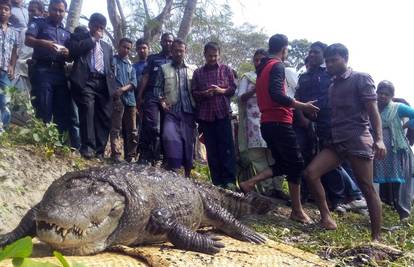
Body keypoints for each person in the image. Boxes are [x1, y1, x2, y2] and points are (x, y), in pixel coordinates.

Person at [304, 43, 386, 241]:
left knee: (366, 187)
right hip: (336, 141)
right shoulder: (332, 85)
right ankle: (326, 217)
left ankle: (376, 237)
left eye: (334, 60)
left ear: (345, 59)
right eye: (328, 61)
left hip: (357, 140)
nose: (330, 64)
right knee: (310, 173)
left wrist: (380, 139)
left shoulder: (361, 78)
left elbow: (373, 111)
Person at [239, 34, 319, 224]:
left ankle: (249, 183)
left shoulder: (262, 68)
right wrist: (303, 106)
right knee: (297, 164)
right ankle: (297, 210)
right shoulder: (276, 66)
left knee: (284, 164)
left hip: (267, 123)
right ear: (284, 49)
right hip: (279, 121)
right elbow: (277, 94)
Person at [294, 41, 365, 211]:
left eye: (316, 53)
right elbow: (298, 99)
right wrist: (304, 117)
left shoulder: (332, 75)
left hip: (331, 122)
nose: (312, 55)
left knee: (338, 160)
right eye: (310, 52)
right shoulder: (303, 77)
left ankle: (351, 196)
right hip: (309, 121)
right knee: (310, 158)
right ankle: (313, 196)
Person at [25, 0, 79, 147]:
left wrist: (68, 53)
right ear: (49, 9)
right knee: (44, 106)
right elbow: (28, 40)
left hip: (60, 73)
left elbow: (70, 56)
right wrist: (46, 44)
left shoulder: (66, 33)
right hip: (42, 69)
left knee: (62, 109)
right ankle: (41, 143)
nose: (58, 13)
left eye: (61, 11)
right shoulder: (40, 23)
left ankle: (58, 145)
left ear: (65, 13)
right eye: (55, 10)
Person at [236, 48, 286, 198]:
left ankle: (278, 188)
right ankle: (268, 188)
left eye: (261, 60)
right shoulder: (248, 77)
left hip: (272, 120)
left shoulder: (274, 73)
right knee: (258, 157)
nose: (258, 63)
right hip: (253, 124)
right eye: (256, 60)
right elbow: (240, 98)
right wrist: (253, 91)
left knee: (275, 155)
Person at [67, 13, 116, 159]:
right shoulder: (80, 38)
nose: (99, 30)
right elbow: (73, 52)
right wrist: (93, 39)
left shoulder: (107, 47)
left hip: (103, 83)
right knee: (88, 110)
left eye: (102, 28)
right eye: (97, 26)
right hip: (86, 81)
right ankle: (87, 147)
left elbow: (110, 67)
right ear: (90, 25)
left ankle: (100, 151)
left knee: (105, 116)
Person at [191, 41, 237, 189]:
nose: (212, 58)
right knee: (212, 150)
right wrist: (204, 93)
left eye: (215, 56)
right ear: (204, 55)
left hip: (223, 113)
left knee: (227, 148)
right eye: (210, 56)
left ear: (219, 55)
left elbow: (232, 89)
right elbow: (194, 93)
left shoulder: (226, 70)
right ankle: (217, 182)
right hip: (206, 116)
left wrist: (221, 91)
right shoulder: (198, 73)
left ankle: (229, 181)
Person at [155, 38, 197, 176]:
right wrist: (161, 101)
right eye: (176, 51)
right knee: (169, 136)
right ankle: (174, 169)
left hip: (189, 111)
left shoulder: (193, 69)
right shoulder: (164, 68)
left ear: (185, 51)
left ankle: (188, 173)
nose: (179, 53)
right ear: (171, 51)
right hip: (171, 111)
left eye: (181, 51)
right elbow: (157, 89)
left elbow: (197, 90)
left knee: (188, 142)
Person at [374, 80, 414, 221]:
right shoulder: (373, 108)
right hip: (381, 152)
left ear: (392, 95)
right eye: (380, 93)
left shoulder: (398, 107)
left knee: (402, 183)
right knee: (381, 181)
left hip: (398, 151)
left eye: (387, 94)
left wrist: (407, 125)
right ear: (376, 93)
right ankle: (383, 208)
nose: (383, 96)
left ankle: (404, 212)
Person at [136, 33, 173, 165]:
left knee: (165, 128)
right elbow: (145, 77)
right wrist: (139, 95)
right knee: (151, 125)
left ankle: (159, 157)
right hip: (152, 94)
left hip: (169, 97)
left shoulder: (176, 59)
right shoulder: (153, 58)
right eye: (165, 41)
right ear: (161, 42)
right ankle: (144, 155)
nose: (168, 43)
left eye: (170, 41)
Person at [109, 38, 138, 163]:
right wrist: (117, 91)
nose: (126, 50)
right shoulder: (112, 60)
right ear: (118, 46)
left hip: (130, 100)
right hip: (116, 99)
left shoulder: (131, 65)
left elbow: (133, 82)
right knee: (116, 127)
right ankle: (116, 154)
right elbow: (109, 77)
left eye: (128, 48)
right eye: (124, 47)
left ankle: (130, 156)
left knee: (132, 129)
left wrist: (122, 89)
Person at [0, 0, 18, 133]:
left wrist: (12, 65)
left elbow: (14, 51)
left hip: (6, 71)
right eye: (1, 9)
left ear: (10, 13)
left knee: (5, 100)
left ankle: (3, 130)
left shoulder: (14, 31)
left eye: (6, 9)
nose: (3, 11)